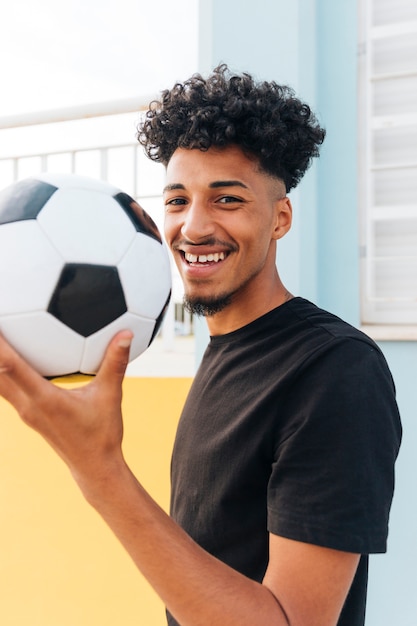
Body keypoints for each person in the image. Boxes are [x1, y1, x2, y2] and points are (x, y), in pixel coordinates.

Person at [0, 65, 401, 626]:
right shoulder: (225, 347)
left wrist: (99, 469)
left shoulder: (336, 370)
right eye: (177, 199)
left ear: (280, 217)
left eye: (227, 199)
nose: (192, 226)